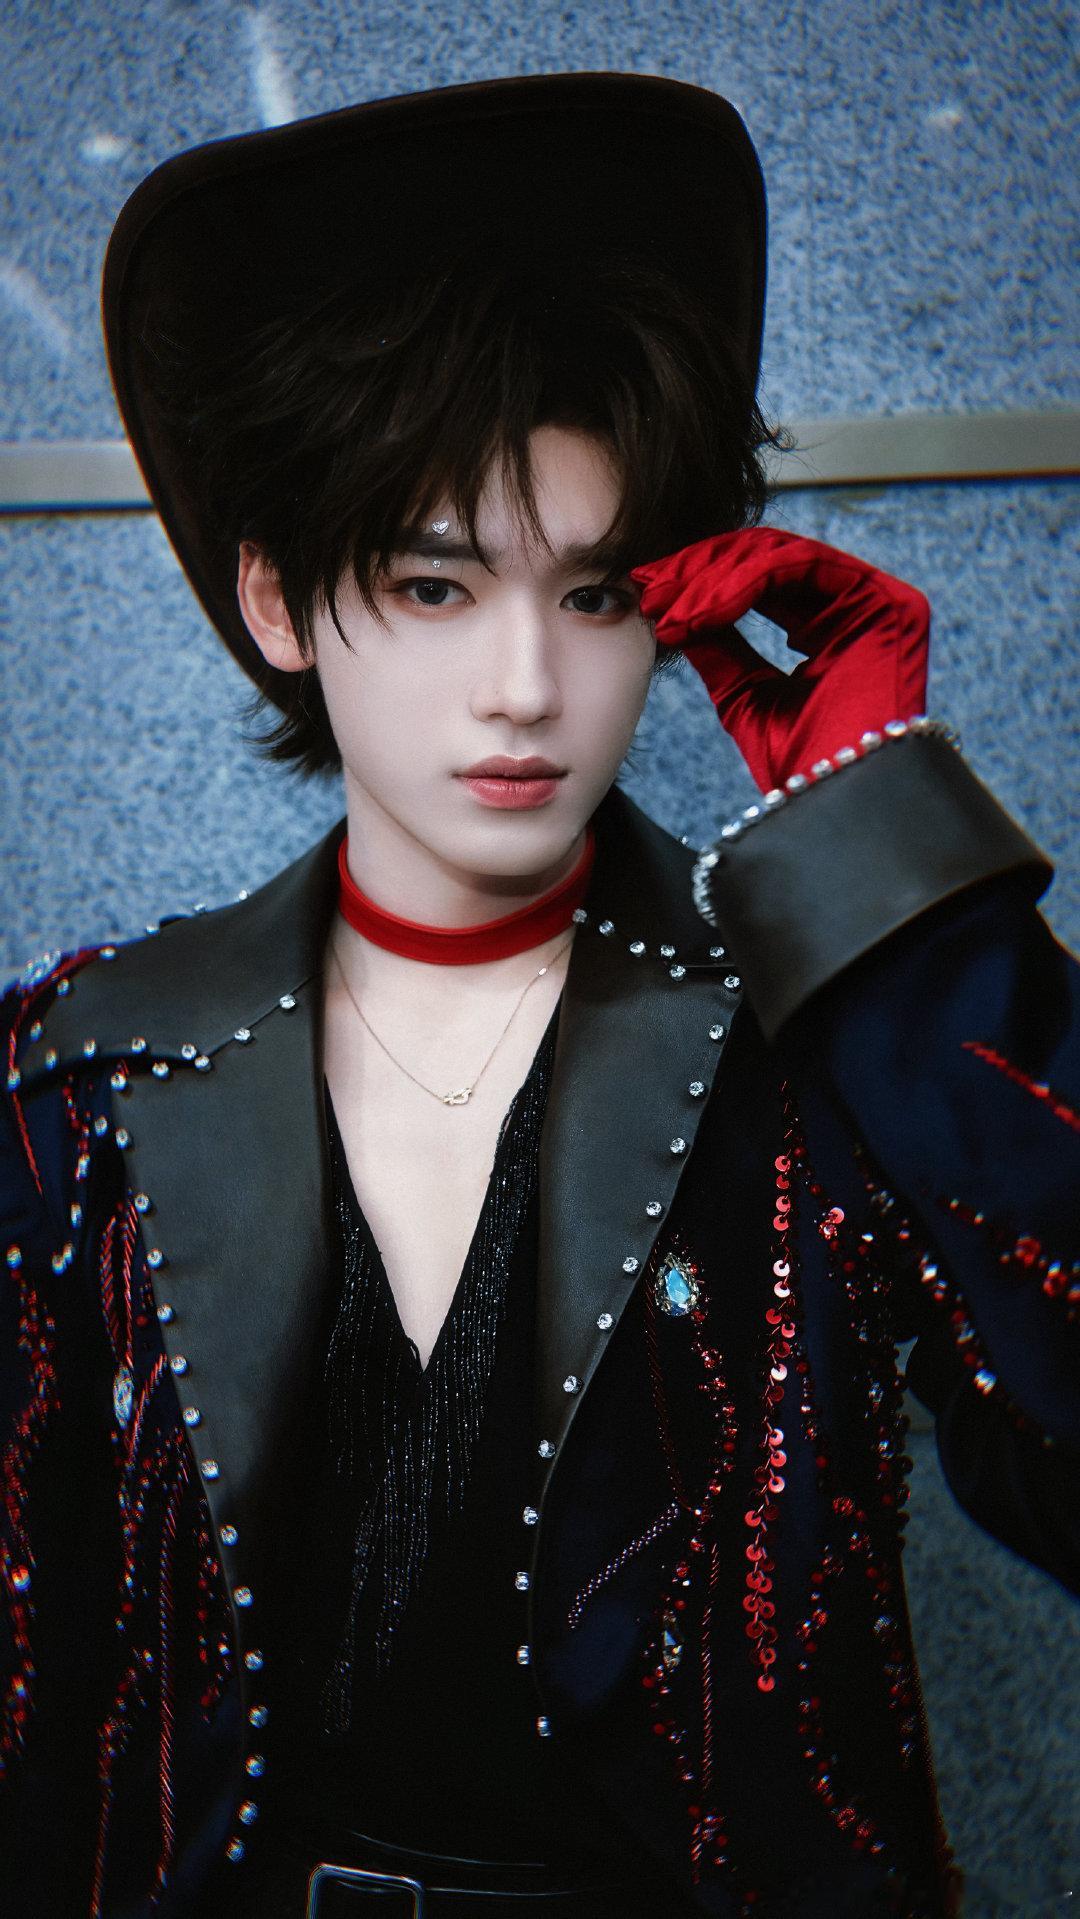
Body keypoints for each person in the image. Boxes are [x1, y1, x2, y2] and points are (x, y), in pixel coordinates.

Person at [1, 71, 1076, 1919]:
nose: (523, 687)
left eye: (593, 598)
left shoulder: (825, 1055)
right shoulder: (81, 1074)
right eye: (435, 587)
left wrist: (896, 879)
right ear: (278, 600)